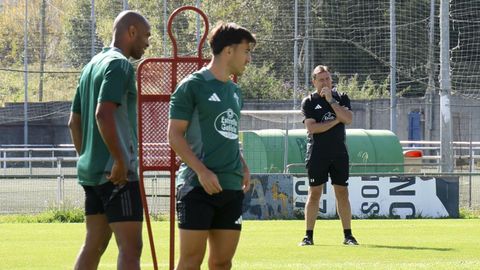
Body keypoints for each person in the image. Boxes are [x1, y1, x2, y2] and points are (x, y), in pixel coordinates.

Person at [168, 21, 256, 270]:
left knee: (222, 262)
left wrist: (243, 164)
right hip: (197, 187)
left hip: (230, 186)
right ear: (229, 50)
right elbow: (174, 135)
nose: (248, 58)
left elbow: (227, 133)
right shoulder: (192, 86)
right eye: (246, 51)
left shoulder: (235, 92)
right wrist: (202, 171)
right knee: (190, 261)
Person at [68, 10, 151, 270]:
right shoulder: (120, 64)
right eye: (146, 35)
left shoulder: (91, 65)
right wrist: (118, 159)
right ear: (132, 31)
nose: (148, 43)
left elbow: (74, 122)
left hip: (92, 173)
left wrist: (88, 157)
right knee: (131, 248)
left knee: (94, 244)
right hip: (117, 174)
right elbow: (103, 114)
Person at [299, 65, 358, 246]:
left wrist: (332, 101)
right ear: (314, 81)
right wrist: (335, 120)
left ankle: (348, 236)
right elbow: (312, 128)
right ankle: (308, 236)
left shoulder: (341, 98)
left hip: (339, 153)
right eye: (321, 79)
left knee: (342, 192)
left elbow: (348, 119)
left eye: (328, 79)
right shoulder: (308, 101)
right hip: (317, 153)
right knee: (314, 193)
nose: (325, 82)